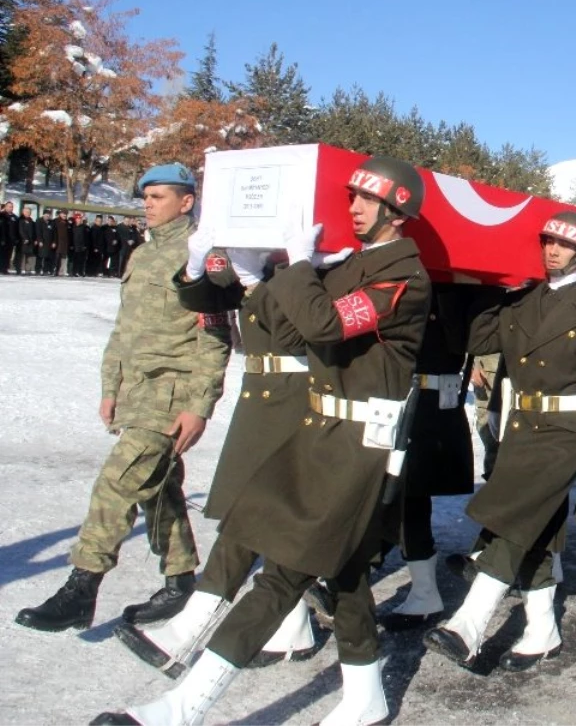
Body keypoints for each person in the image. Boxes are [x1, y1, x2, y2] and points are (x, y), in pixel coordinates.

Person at [92, 155, 431, 726]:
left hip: (360, 444)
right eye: (353, 197)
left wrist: (302, 267)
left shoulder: (406, 277)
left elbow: (324, 326)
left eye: (366, 201)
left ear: (398, 213)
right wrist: (252, 272)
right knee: (335, 568)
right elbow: (292, 323)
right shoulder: (351, 265)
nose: (352, 208)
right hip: (317, 426)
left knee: (284, 571)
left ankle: (184, 706)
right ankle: (367, 696)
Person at [16, 163, 232, 634]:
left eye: (158, 197)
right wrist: (110, 387)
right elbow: (124, 327)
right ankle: (180, 580)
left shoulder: (201, 256)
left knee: (118, 482)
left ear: (187, 201)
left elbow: (215, 337)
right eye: (145, 197)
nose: (148, 205)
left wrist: (199, 406)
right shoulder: (141, 254)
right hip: (135, 391)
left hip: (171, 394)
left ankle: (82, 585)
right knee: (156, 488)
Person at [425, 210, 576, 670]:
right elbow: (474, 337)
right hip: (521, 428)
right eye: (548, 242)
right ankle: (542, 630)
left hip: (567, 433)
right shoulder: (522, 300)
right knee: (537, 529)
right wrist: (472, 283)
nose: (552, 250)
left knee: (512, 522)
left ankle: (468, 624)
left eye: (564, 245)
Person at [113, 246, 320, 678]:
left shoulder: (315, 265)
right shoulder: (258, 258)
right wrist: (194, 264)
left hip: (297, 394)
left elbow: (303, 330)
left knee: (260, 510)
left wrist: (258, 278)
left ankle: (190, 629)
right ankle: (295, 624)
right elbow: (206, 301)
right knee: (265, 511)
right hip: (262, 393)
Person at [378, 281, 501, 632]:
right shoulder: (405, 278)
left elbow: (469, 339)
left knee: (409, 498)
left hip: (429, 406)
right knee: (392, 498)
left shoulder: (458, 290)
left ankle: (424, 593)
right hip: (392, 401)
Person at [18, 206, 37, 274]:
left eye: (29, 212)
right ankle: (22, 268)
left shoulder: (31, 221)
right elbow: (21, 230)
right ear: (23, 212)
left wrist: (35, 239)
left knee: (30, 254)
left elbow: (34, 231)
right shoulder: (21, 220)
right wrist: (25, 238)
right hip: (24, 240)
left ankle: (28, 268)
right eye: (26, 212)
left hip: (31, 241)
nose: (28, 213)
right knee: (23, 255)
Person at [0, 200, 16, 273]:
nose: (11, 208)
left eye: (12, 207)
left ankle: (5, 268)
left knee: (8, 255)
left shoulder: (14, 217)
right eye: (9, 206)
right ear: (5, 207)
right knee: (1, 254)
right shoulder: (2, 215)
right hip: (2, 239)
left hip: (11, 240)